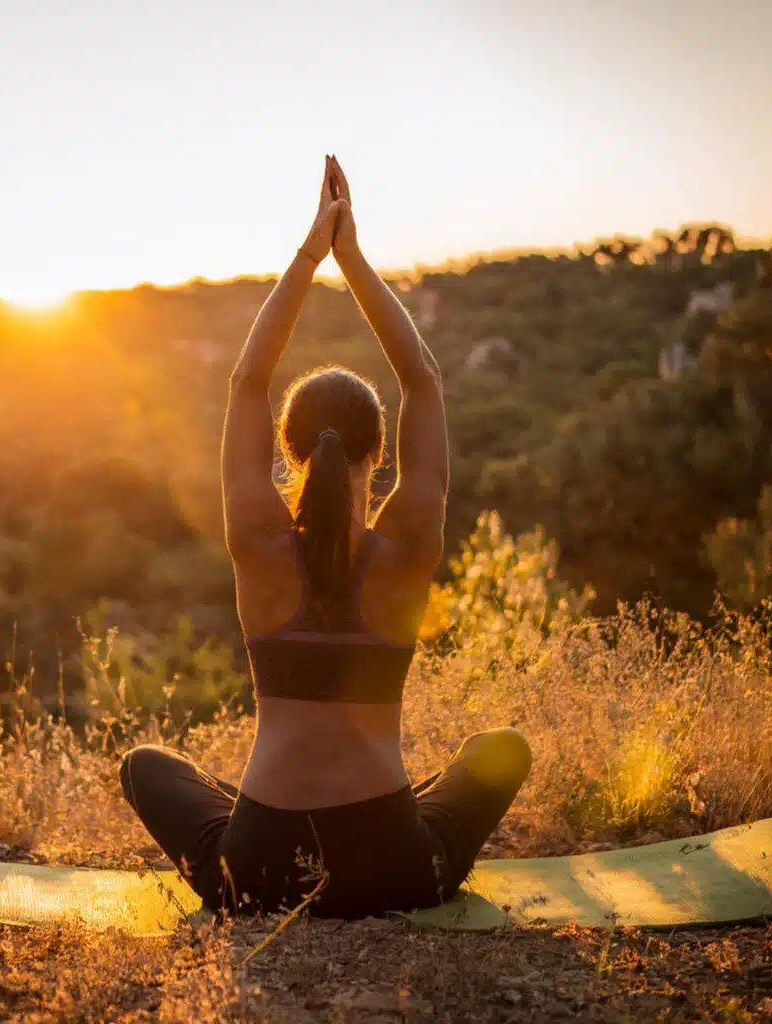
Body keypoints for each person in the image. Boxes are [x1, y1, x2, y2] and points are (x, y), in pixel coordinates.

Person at [121, 155, 531, 919]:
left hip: (257, 869)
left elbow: (246, 380)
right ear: (379, 454)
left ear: (289, 450)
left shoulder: (258, 545)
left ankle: (240, 844)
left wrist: (311, 257)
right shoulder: (409, 547)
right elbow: (424, 382)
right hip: (392, 866)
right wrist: (354, 259)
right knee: (501, 748)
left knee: (146, 765)